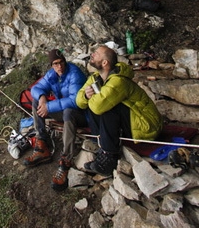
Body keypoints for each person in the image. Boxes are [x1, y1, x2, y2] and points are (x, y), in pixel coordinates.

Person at [76, 45, 163, 176]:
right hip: (130, 123)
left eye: (97, 54)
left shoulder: (119, 80)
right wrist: (85, 96)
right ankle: (102, 147)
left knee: (107, 108)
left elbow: (97, 106)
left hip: (145, 125)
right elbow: (79, 101)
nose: (92, 54)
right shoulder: (95, 78)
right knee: (96, 106)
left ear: (105, 63)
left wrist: (91, 97)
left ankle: (109, 157)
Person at [23, 49, 88, 191]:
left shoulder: (74, 73)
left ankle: (66, 160)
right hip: (64, 110)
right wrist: (41, 97)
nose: (60, 66)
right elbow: (36, 88)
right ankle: (42, 145)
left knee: (68, 112)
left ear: (65, 61)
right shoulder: (53, 74)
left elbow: (75, 100)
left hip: (82, 114)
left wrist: (49, 106)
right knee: (36, 102)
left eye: (61, 62)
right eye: (56, 64)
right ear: (52, 65)